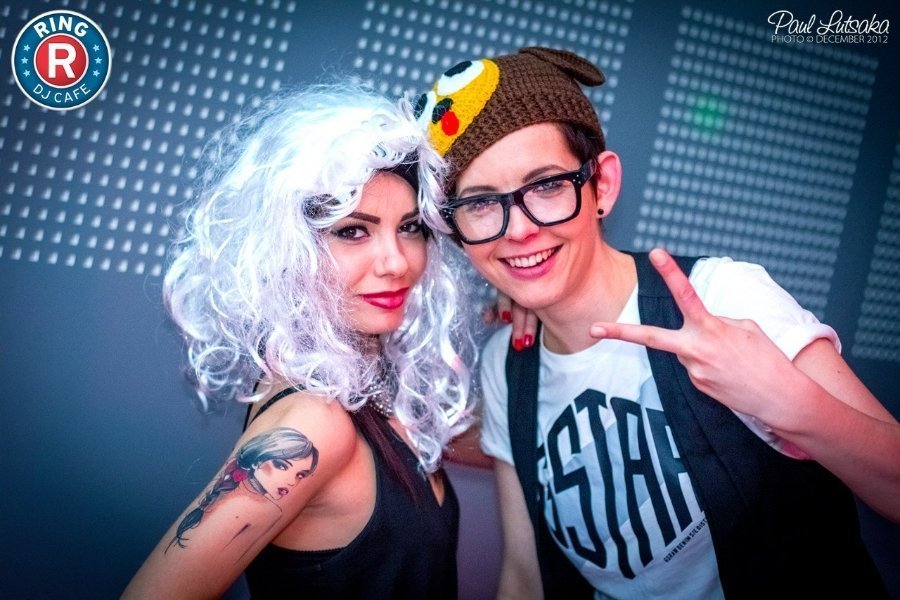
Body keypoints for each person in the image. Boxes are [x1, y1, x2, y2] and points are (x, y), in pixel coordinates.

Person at [414, 47, 899, 599]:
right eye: (481, 203)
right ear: (454, 228)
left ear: (601, 185)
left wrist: (787, 400)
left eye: (546, 185)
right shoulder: (507, 364)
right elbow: (525, 575)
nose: (519, 229)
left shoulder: (723, 295)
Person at [123, 84, 475, 599]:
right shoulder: (313, 424)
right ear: (290, 248)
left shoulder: (369, 386)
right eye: (353, 231)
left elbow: (502, 444)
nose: (396, 261)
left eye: (410, 228)